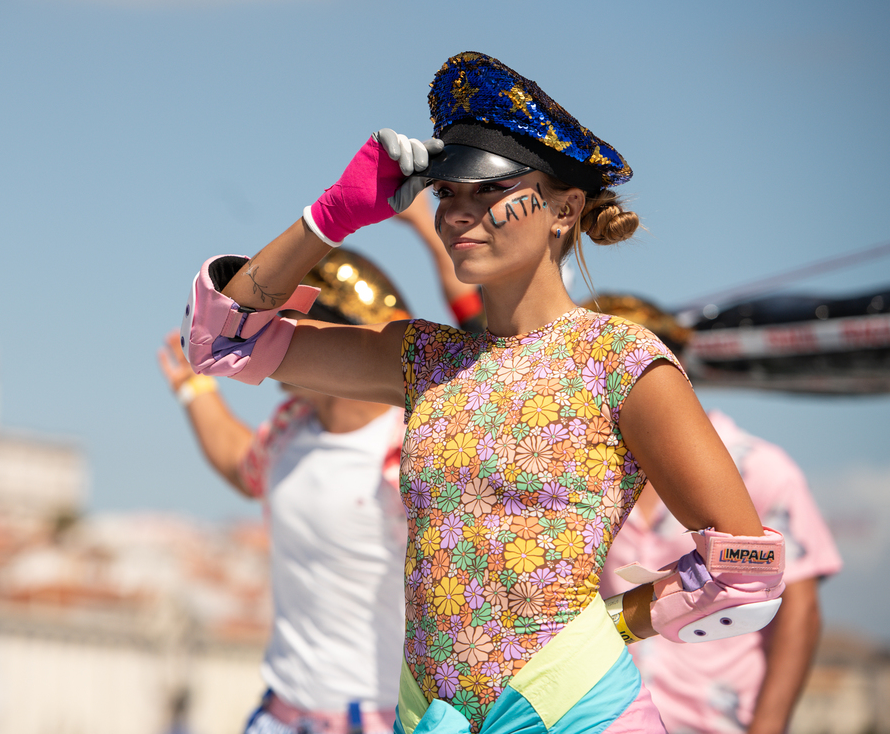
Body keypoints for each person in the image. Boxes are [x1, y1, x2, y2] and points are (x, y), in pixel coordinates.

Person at [178, 52, 786, 734]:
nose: (459, 214)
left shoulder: (621, 362)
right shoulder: (423, 359)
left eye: (489, 191)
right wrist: (334, 214)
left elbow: (749, 570)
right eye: (447, 194)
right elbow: (220, 342)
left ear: (565, 208)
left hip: (580, 718)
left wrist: (594, 640)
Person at [159, 248, 413, 734]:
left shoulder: (409, 448)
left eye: (280, 326)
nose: (264, 345)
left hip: (374, 722)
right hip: (278, 716)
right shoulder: (289, 428)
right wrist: (195, 392)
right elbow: (241, 464)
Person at [592, 296, 842, 734]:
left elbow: (799, 609)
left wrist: (767, 727)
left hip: (715, 720)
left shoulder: (761, 467)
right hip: (606, 717)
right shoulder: (576, 480)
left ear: (676, 371)